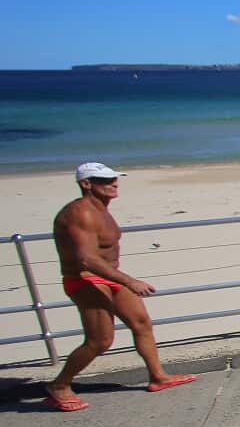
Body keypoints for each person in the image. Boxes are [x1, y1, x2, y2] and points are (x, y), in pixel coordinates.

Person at [44, 162, 196, 412]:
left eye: (114, 179)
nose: (114, 184)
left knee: (141, 323)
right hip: (85, 280)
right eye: (105, 181)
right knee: (100, 341)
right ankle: (59, 385)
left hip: (109, 278)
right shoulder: (80, 213)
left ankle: (158, 377)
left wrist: (121, 280)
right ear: (86, 184)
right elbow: (87, 259)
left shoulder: (101, 209)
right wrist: (129, 280)